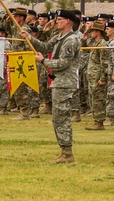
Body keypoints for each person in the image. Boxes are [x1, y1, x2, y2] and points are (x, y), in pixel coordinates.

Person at [22, 9, 82, 164]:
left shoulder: (71, 40)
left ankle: (67, 153)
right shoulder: (60, 37)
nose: (56, 22)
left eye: (59, 19)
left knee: (62, 118)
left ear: (68, 21)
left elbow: (63, 63)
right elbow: (46, 46)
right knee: (57, 118)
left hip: (65, 82)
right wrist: (30, 38)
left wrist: (43, 62)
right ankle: (64, 151)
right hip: (58, 81)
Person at [84, 22, 108, 130]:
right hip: (92, 76)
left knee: (98, 99)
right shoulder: (95, 43)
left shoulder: (102, 44)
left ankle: (99, 122)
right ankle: (96, 120)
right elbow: (83, 47)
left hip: (98, 76)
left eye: (92, 31)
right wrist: (84, 38)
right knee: (93, 98)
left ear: (98, 32)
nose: (91, 33)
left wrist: (103, 78)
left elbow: (105, 63)